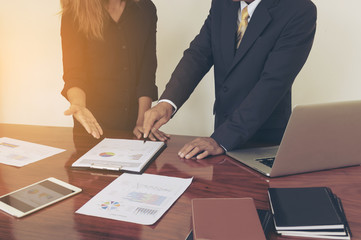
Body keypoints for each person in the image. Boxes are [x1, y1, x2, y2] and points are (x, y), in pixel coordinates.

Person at [143, 0, 317, 159]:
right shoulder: (222, 4)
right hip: (222, 132)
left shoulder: (299, 10)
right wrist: (167, 103)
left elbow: (273, 84)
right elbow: (198, 55)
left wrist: (221, 139)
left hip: (263, 141)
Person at [60, 0, 168, 142]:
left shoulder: (145, 8)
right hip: (92, 127)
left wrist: (142, 122)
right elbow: (74, 74)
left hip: (134, 127)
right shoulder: (73, 14)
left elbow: (147, 72)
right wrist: (78, 105)